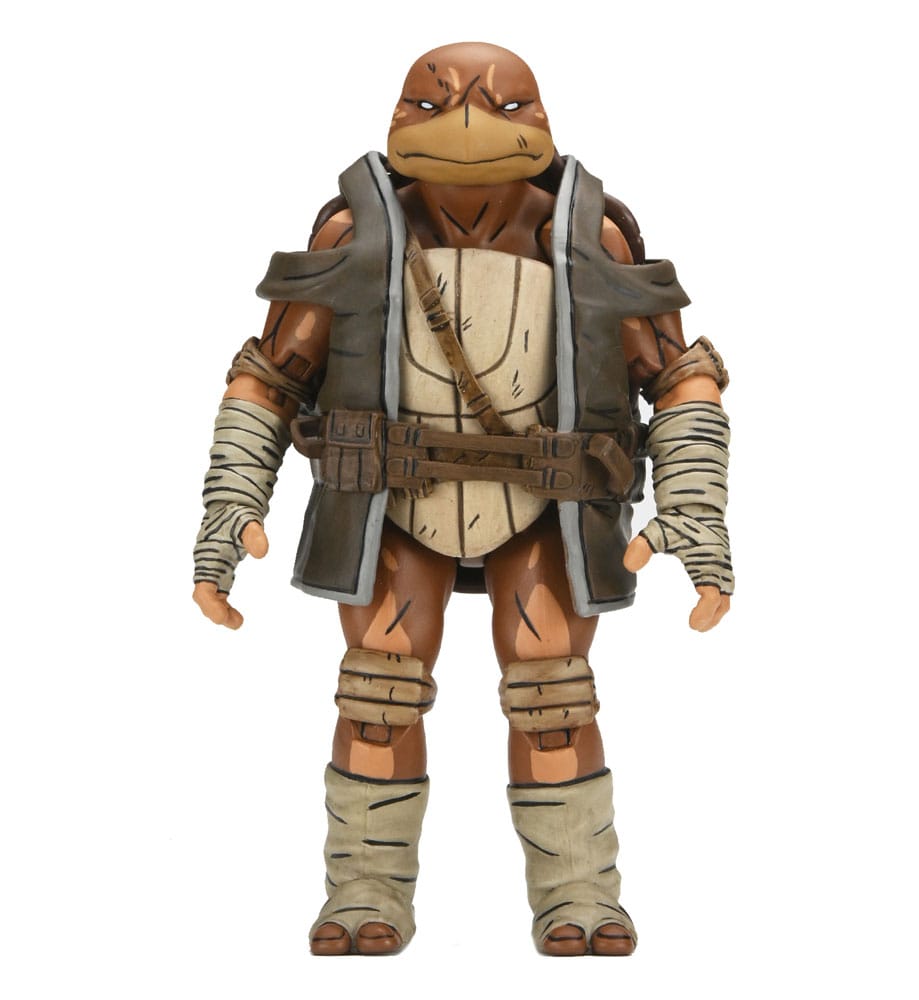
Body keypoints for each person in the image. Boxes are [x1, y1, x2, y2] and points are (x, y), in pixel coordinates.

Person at [193, 41, 733, 956]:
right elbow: (270, 376)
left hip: (546, 507)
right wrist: (228, 507)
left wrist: (694, 509)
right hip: (395, 505)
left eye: (502, 103)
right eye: (436, 100)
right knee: (379, 688)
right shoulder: (356, 235)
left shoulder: (586, 235)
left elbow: (679, 376)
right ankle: (364, 889)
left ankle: (579, 891)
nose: (470, 120)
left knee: (552, 688)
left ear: (542, 118)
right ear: (399, 116)